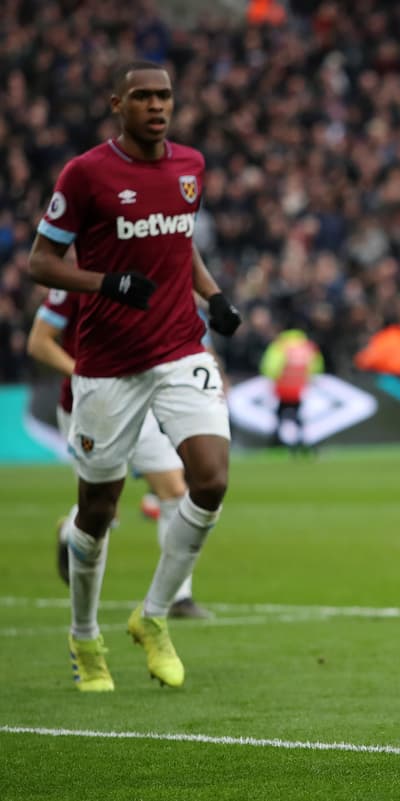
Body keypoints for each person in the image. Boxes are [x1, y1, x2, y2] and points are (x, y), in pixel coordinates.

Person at [27, 60, 241, 692]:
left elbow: (180, 242)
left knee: (210, 480)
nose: (156, 106)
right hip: (108, 366)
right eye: (143, 97)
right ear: (116, 103)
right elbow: (42, 261)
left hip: (180, 349)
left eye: (165, 96)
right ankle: (84, 635)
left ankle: (153, 617)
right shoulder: (86, 173)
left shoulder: (190, 167)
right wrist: (105, 283)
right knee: (96, 510)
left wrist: (214, 295)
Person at [28, 287, 213, 619]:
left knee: (174, 490)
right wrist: (84, 375)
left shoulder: (148, 272)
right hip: (91, 408)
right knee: (103, 509)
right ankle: (71, 530)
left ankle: (178, 598)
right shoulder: (76, 282)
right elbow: (38, 341)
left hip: (140, 404)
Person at [260, 328, 324, 455]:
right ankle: (304, 442)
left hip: (283, 388)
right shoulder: (308, 346)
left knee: (281, 415)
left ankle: (278, 443)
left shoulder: (279, 345)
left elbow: (270, 367)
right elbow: (317, 367)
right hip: (301, 388)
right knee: (299, 416)